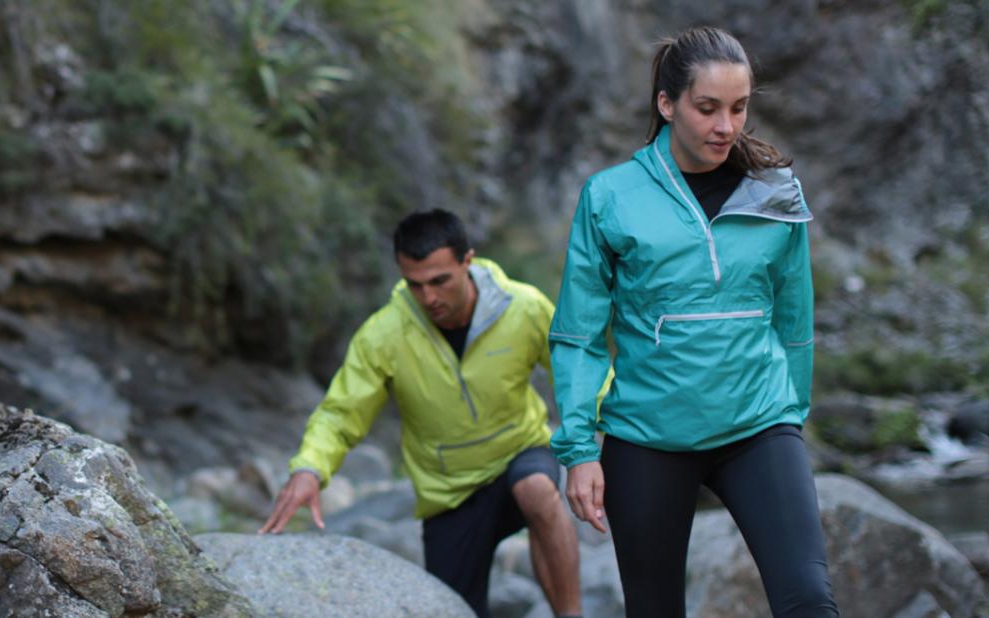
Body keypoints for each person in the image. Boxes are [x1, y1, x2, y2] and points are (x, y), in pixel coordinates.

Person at [548, 26, 838, 617]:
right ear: (666, 103)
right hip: (647, 437)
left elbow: (794, 320)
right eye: (707, 108)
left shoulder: (773, 192)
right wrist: (579, 449)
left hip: (758, 426)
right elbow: (579, 334)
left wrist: (792, 414)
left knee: (808, 598)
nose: (726, 126)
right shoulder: (610, 197)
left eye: (738, 108)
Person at [259, 209, 588, 618]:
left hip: (518, 454)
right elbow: (341, 413)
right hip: (449, 493)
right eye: (414, 285)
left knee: (537, 490)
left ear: (467, 261)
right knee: (454, 609)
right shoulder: (384, 334)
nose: (429, 297)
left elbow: (577, 371)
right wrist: (309, 468)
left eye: (439, 281)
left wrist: (608, 431)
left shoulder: (522, 307)